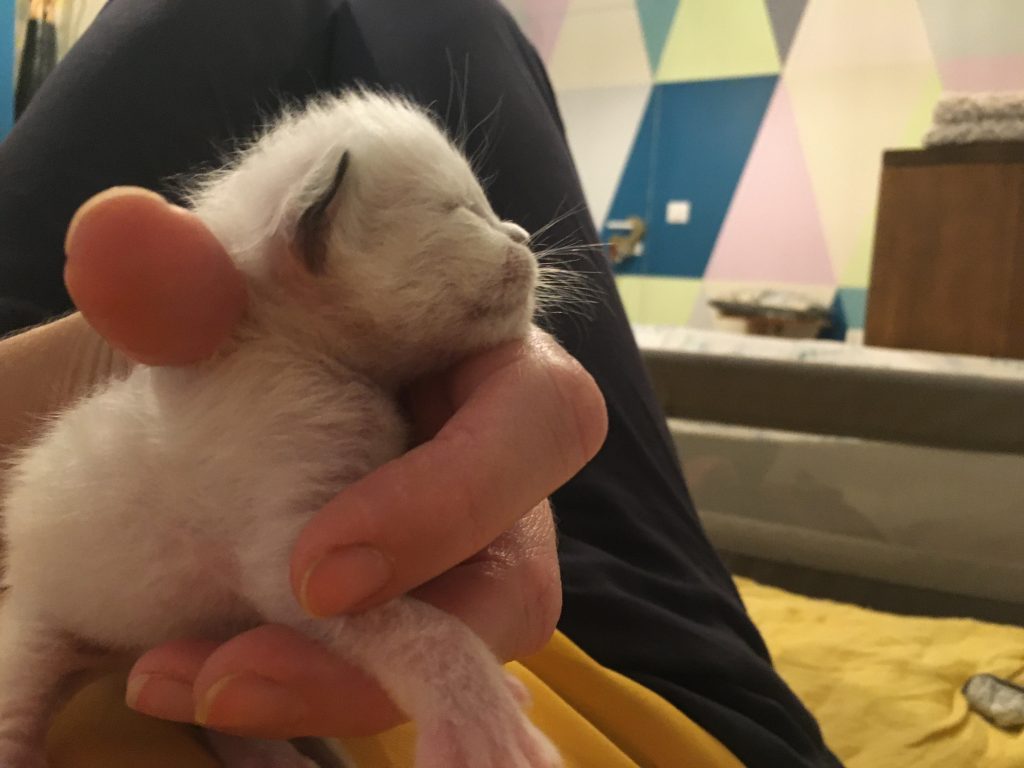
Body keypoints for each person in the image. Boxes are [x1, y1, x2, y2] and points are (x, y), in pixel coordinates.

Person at [0, 1, 842, 766]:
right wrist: (452, 679)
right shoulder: (273, 389)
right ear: (315, 236)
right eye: (458, 215)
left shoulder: (300, 373)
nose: (517, 233)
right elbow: (300, 576)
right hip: (700, 704)